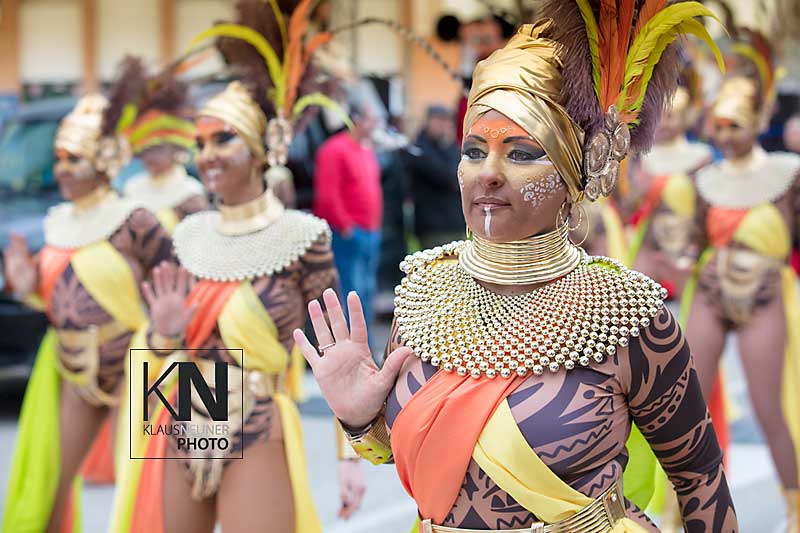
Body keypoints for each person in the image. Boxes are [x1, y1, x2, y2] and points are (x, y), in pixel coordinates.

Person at [295, 1, 738, 531]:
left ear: (575, 171)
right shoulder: (422, 296)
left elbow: (700, 479)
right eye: (473, 151)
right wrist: (360, 419)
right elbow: (436, 455)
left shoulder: (627, 316)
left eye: (522, 153)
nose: (488, 173)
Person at [110, 2, 365, 532]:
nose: (207, 155)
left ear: (259, 148)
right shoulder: (188, 237)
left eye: (223, 139)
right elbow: (156, 350)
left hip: (258, 416)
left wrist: (350, 456)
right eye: (200, 143)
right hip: (182, 410)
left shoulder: (304, 238)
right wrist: (162, 334)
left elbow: (340, 356)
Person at [2, 94, 173, 533]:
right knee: (50, 482)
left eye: (74, 158)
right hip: (74, 368)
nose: (62, 168)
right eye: (59, 158)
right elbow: (65, 299)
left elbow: (175, 286)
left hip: (138, 368)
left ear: (102, 161)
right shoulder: (56, 222)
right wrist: (27, 287)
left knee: (144, 487)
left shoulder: (135, 220)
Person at [682, 27, 800, 530]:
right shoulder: (704, 179)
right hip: (711, 291)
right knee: (686, 403)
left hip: (766, 294)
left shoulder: (787, 176)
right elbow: (694, 240)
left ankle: (796, 506)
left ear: (758, 122)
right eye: (719, 125)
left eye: (736, 125)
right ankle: (690, 507)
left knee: (770, 406)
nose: (726, 135)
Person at [628, 60, 713, 297]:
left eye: (672, 116)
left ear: (685, 117)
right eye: (660, 116)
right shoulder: (640, 157)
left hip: (686, 243)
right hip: (649, 240)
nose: (664, 123)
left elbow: (702, 208)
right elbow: (631, 202)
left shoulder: (700, 157)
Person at [115, 56, 207, 233]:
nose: (150, 156)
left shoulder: (190, 192)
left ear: (175, 150)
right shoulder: (131, 188)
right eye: (145, 149)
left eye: (157, 149)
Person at [313, 98, 383, 329]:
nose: (375, 125)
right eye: (371, 119)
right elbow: (327, 196)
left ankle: (367, 344)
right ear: (356, 120)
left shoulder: (366, 149)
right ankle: (353, 345)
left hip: (369, 232)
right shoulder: (334, 149)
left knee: (367, 293)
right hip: (348, 234)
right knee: (352, 294)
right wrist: (346, 228)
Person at [406, 105, 464, 249]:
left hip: (455, 223)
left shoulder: (449, 147)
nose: (444, 125)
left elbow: (462, 173)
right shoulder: (418, 148)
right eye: (439, 120)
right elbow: (448, 177)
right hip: (432, 227)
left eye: (447, 121)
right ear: (428, 121)